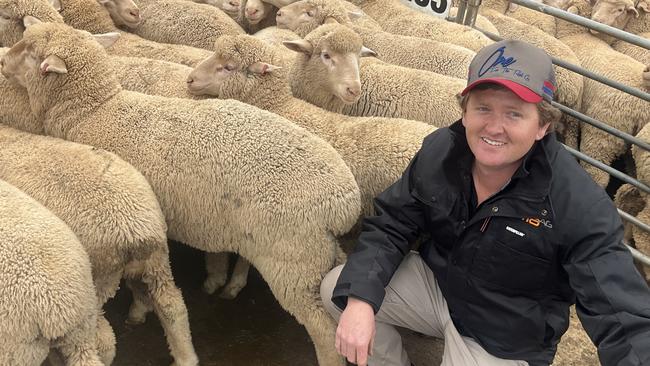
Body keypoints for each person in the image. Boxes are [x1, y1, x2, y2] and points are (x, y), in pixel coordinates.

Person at [319, 39, 650, 366]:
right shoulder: (440, 153)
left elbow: (620, 312)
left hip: (502, 335)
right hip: (439, 288)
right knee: (340, 290)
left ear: (543, 126)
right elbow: (393, 223)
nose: (494, 127)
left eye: (514, 113)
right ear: (464, 112)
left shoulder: (574, 202)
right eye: (483, 108)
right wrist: (362, 299)